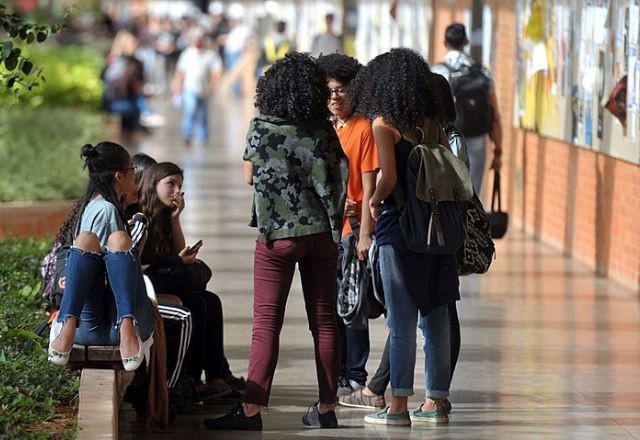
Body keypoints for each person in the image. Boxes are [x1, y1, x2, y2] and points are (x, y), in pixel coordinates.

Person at [204, 52, 348, 431]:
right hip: (321, 235)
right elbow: (338, 178)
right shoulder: (322, 129)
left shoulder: (261, 128)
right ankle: (327, 406)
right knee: (325, 320)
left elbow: (249, 177)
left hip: (276, 238)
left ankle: (251, 410)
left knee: (267, 323)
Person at [351, 48, 459, 425]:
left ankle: (397, 406)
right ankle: (436, 400)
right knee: (436, 315)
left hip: (401, 230)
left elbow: (390, 178)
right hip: (440, 229)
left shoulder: (383, 123)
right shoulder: (432, 124)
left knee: (401, 320)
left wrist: (375, 200)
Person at [138, 161, 243, 402]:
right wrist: (175, 263)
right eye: (170, 184)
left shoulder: (164, 217)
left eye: (180, 186)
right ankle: (192, 380)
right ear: (153, 185)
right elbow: (135, 265)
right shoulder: (141, 219)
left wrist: (175, 219)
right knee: (195, 303)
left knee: (211, 301)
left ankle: (216, 375)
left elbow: (177, 251)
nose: (177, 191)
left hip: (161, 281)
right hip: (147, 286)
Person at [47, 142, 155, 373]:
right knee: (118, 241)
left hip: (86, 326)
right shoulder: (106, 210)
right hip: (109, 319)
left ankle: (68, 326)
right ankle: (126, 324)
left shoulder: (91, 205)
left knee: (89, 240)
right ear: (118, 176)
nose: (134, 175)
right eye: (132, 170)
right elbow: (108, 273)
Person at [317, 53, 382, 406]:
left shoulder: (365, 128)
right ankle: (338, 371)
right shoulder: (323, 129)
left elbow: (370, 187)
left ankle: (356, 374)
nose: (335, 98)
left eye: (341, 90)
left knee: (353, 303)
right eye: (329, 92)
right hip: (324, 231)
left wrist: (365, 234)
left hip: (351, 229)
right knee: (329, 305)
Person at [431, 23, 502, 194]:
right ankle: (468, 220)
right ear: (466, 42)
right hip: (477, 137)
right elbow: (495, 116)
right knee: (472, 190)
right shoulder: (483, 73)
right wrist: (498, 152)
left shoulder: (437, 72)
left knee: (447, 191)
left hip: (446, 138)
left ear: (444, 43)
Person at [172, 30, 223, 147]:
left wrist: (214, 83)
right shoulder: (187, 54)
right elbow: (180, 72)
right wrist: (177, 87)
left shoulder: (210, 55)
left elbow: (217, 70)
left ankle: (203, 136)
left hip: (204, 90)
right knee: (190, 110)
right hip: (189, 88)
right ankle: (187, 134)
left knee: (203, 114)